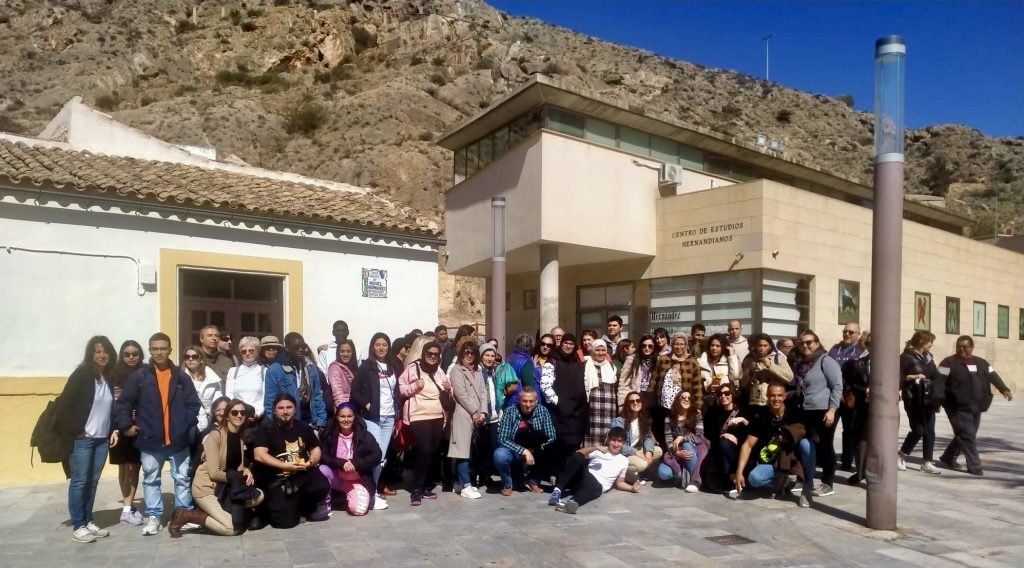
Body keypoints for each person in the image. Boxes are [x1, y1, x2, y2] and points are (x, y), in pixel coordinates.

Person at [114, 332, 201, 536]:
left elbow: (193, 404)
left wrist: (185, 425)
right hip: (150, 439)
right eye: (155, 349)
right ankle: (154, 517)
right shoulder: (140, 377)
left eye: (163, 348)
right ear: (150, 351)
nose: (159, 352)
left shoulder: (181, 377)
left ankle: (183, 515)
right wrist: (126, 426)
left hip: (178, 440)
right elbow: (124, 403)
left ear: (170, 350)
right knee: (151, 479)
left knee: (182, 478)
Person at [57, 336, 117, 543]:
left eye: (105, 351)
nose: (102, 355)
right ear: (90, 354)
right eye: (98, 351)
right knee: (80, 482)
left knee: (92, 482)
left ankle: (88, 520)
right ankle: (78, 525)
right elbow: (64, 406)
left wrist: (112, 430)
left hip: (101, 439)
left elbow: (108, 408)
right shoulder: (81, 375)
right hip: (83, 440)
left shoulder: (107, 378)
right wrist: (77, 430)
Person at [934, 336, 1013, 476]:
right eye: (958, 347)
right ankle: (974, 466)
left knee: (966, 434)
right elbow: (938, 383)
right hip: (956, 407)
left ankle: (948, 456)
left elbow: (993, 376)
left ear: (972, 347)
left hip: (977, 406)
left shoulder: (981, 362)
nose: (961, 349)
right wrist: (936, 401)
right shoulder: (947, 363)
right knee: (968, 435)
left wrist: (1004, 389)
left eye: (965, 347)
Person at [733, 381, 816, 507]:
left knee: (807, 444)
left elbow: (807, 432)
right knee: (754, 479)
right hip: (773, 460)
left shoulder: (795, 413)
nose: (776, 399)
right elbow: (747, 445)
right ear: (767, 396)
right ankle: (780, 480)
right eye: (772, 395)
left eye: (779, 395)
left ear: (785, 396)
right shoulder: (761, 416)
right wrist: (739, 472)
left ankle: (807, 487)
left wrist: (787, 435)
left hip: (793, 457)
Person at [252, 394, 330, 528]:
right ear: (274, 410)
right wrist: (284, 465)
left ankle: (304, 507)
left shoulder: (304, 427)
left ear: (295, 409)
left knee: (321, 485)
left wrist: (311, 461)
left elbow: (316, 449)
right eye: (281, 408)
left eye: (289, 407)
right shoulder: (265, 429)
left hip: (301, 474)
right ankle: (268, 509)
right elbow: (259, 455)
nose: (285, 411)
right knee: (284, 523)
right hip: (277, 478)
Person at [189, 399, 264, 536]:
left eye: (243, 413)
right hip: (207, 488)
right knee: (231, 529)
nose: (239, 415)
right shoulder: (215, 435)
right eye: (234, 412)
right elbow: (214, 473)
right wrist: (238, 477)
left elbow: (237, 464)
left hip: (226, 487)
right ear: (227, 416)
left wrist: (246, 470)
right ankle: (192, 516)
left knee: (259, 496)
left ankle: (226, 513)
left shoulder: (239, 435)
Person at [351, 332, 402, 510]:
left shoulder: (393, 366)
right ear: (373, 346)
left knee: (382, 457)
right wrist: (367, 404)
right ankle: (370, 492)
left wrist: (397, 416)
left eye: (384, 344)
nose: (381, 348)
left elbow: (397, 392)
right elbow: (355, 390)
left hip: (389, 416)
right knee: (376, 454)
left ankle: (373, 491)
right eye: (378, 344)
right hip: (373, 417)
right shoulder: (367, 366)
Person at [398, 341, 452, 505]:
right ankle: (416, 489)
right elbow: (401, 388)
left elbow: (448, 391)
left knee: (432, 452)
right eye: (429, 354)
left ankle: (426, 485)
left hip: (438, 416)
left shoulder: (440, 371)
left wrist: (448, 388)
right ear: (423, 354)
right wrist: (415, 386)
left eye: (436, 354)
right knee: (424, 449)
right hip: (418, 415)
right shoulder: (413, 368)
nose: (432, 357)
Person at [793, 330, 843, 498]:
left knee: (825, 445)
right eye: (801, 343)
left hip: (824, 410)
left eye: (809, 342)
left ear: (817, 343)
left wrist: (832, 410)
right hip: (806, 409)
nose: (805, 346)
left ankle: (828, 482)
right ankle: (805, 478)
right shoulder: (801, 363)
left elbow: (837, 386)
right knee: (807, 445)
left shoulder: (826, 361)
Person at [548, 426, 640, 514]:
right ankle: (557, 491)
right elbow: (577, 455)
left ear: (623, 443)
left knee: (593, 489)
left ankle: (570, 504)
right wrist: (595, 448)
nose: (616, 444)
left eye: (619, 441)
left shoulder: (624, 460)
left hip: (597, 486)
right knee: (579, 456)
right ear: (608, 440)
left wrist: (631, 488)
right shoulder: (598, 452)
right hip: (584, 478)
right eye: (613, 440)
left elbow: (619, 483)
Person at [317, 402, 382, 516]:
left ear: (354, 417)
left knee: (359, 510)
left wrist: (356, 464)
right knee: (322, 470)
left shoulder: (364, 435)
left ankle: (344, 497)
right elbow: (323, 455)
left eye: (349, 416)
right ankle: (326, 502)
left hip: (356, 480)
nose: (346, 420)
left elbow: (377, 454)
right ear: (337, 417)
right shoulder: (330, 434)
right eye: (342, 416)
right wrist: (341, 463)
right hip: (337, 476)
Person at [107, 339, 145, 526]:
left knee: (133, 467)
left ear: (140, 355)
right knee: (123, 468)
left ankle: (127, 507)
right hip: (117, 427)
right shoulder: (113, 375)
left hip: (138, 427)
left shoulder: (145, 373)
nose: (131, 357)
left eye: (135, 354)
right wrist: (113, 428)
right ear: (121, 356)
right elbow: (110, 403)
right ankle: (127, 507)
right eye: (127, 354)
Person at [493, 387, 557, 495]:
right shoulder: (509, 411)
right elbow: (502, 439)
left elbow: (551, 436)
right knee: (499, 454)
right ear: (519, 400)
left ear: (536, 400)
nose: (528, 405)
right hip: (514, 451)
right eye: (524, 401)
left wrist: (537, 449)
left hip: (536, 451)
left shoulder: (543, 411)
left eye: (531, 401)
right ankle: (508, 484)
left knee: (553, 449)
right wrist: (524, 451)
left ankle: (533, 480)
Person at [897, 331, 941, 475]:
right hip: (913, 398)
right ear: (922, 341)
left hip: (929, 398)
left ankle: (927, 462)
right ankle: (900, 455)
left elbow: (935, 375)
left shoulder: (928, 357)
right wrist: (912, 377)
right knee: (918, 430)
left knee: (930, 431)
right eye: (930, 341)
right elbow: (899, 377)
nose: (932, 344)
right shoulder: (905, 357)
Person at [448, 340, 489, 499]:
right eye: (466, 352)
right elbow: (461, 394)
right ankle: (465, 485)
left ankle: (460, 482)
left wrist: (483, 412)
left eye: (472, 353)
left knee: (473, 451)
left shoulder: (478, 370)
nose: (469, 355)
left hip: (477, 415)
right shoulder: (456, 370)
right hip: (463, 414)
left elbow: (484, 392)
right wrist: (474, 411)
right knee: (462, 450)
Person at [264, 332, 327, 429]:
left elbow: (317, 395)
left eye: (303, 346)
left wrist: (321, 421)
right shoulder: (275, 370)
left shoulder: (310, 367)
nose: (301, 350)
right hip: (286, 423)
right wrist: (273, 426)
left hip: (310, 422)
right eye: (296, 347)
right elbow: (270, 401)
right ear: (287, 348)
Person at [828, 323, 864, 471]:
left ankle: (847, 460)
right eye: (845, 331)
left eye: (851, 332)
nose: (847, 334)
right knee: (828, 428)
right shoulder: (835, 349)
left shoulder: (861, 350)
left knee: (849, 430)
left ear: (858, 334)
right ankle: (826, 458)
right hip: (833, 395)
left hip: (850, 396)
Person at [657, 391, 708, 492]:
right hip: (676, 452)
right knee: (663, 473)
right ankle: (683, 472)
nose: (686, 399)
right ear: (678, 399)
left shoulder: (697, 415)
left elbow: (700, 437)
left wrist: (682, 437)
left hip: (695, 448)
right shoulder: (669, 419)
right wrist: (677, 453)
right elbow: (668, 441)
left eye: (689, 398)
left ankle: (696, 481)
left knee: (686, 445)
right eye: (683, 397)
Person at [702, 383, 748, 490]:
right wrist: (723, 435)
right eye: (720, 394)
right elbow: (708, 433)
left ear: (733, 394)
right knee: (724, 443)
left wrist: (743, 420)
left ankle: (732, 475)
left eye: (727, 393)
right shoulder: (714, 413)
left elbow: (751, 432)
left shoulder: (742, 412)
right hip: (720, 447)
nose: (723, 396)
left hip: (739, 448)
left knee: (725, 444)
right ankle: (730, 477)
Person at [611, 391, 662, 478]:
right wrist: (637, 453)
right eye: (632, 401)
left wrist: (648, 453)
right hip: (622, 454)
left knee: (658, 450)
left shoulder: (644, 419)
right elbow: (617, 445)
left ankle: (638, 469)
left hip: (634, 451)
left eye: (638, 400)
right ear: (627, 404)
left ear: (642, 402)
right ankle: (620, 473)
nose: (635, 403)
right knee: (642, 464)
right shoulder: (619, 421)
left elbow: (647, 437)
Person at [739, 333, 793, 412]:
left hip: (772, 402)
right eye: (759, 345)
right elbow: (743, 384)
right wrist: (750, 371)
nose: (762, 348)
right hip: (754, 402)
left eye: (765, 345)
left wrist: (771, 366)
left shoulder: (778, 358)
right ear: (755, 346)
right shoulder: (749, 359)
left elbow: (789, 377)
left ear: (770, 346)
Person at [846, 332, 872, 485]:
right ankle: (861, 472)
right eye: (869, 344)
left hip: (885, 409)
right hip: (864, 407)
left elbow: (899, 381)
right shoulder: (860, 363)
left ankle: (874, 473)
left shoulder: (892, 363)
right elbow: (852, 384)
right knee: (861, 440)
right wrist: (865, 390)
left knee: (880, 441)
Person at [583, 339, 618, 446]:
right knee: (591, 446)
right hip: (592, 411)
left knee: (608, 442)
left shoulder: (611, 366)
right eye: (597, 350)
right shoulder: (585, 365)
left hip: (609, 411)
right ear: (592, 351)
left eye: (603, 350)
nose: (601, 353)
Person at [181, 344, 223, 431]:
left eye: (194, 356)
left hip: (208, 423)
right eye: (187, 357)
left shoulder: (213, 379)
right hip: (187, 425)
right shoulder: (179, 379)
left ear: (201, 360)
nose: (190, 359)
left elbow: (218, 403)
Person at [225, 336, 266, 419]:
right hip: (237, 416)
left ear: (258, 352)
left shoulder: (264, 371)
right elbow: (229, 396)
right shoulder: (233, 371)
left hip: (256, 416)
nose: (247, 353)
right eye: (244, 351)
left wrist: (257, 414)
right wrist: (237, 413)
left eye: (251, 351)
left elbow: (265, 397)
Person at [617, 334, 660, 408]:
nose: (646, 348)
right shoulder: (632, 360)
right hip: (637, 396)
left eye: (650, 346)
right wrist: (621, 404)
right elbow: (623, 383)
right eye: (644, 346)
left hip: (652, 397)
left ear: (654, 348)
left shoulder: (657, 360)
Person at [327, 339, 359, 408]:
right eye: (342, 351)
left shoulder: (355, 367)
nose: (345, 354)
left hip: (355, 406)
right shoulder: (335, 368)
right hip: (345, 408)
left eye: (348, 351)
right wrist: (345, 409)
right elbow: (338, 394)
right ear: (338, 352)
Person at [533, 333, 558, 405]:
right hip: (534, 400)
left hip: (549, 402)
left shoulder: (556, 362)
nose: (545, 347)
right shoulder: (532, 358)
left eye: (549, 345)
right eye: (543, 344)